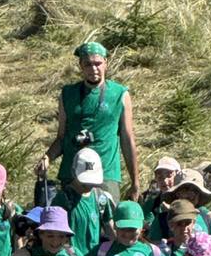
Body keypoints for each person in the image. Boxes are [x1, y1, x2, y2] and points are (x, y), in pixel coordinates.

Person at [36, 42, 139, 201]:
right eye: (88, 64)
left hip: (105, 173)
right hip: (72, 173)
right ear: (81, 66)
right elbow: (61, 137)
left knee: (106, 215)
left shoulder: (119, 94)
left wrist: (135, 182)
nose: (93, 69)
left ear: (106, 63)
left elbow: (127, 138)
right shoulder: (68, 94)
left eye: (98, 63)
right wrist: (47, 158)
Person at [51, 149, 113, 256]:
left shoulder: (100, 197)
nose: (89, 186)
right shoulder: (63, 198)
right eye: (85, 183)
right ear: (74, 172)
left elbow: (109, 227)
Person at [141, 155, 181, 242]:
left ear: (178, 176)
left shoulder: (186, 198)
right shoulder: (152, 202)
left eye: (169, 176)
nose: (164, 181)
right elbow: (143, 222)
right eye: (160, 177)